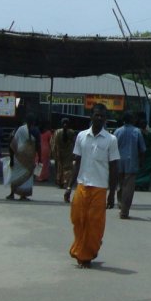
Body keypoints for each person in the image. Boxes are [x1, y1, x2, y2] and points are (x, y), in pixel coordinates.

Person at [64, 104, 119, 268]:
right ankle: (81, 248)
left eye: (103, 116)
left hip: (100, 188)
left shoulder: (111, 140)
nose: (100, 118)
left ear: (105, 119)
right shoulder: (81, 136)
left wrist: (112, 193)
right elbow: (77, 163)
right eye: (97, 115)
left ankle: (86, 255)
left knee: (94, 224)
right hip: (82, 185)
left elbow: (114, 167)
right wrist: (68, 187)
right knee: (77, 219)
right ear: (91, 117)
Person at [113, 111, 146, 219]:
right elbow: (142, 149)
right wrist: (141, 162)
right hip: (132, 163)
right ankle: (124, 211)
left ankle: (120, 203)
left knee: (120, 185)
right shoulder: (137, 132)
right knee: (128, 188)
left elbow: (112, 148)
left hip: (118, 163)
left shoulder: (117, 132)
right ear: (132, 120)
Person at [7, 113, 37, 201]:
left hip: (18, 157)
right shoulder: (34, 130)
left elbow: (13, 144)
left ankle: (12, 194)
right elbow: (37, 145)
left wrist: (12, 158)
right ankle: (22, 195)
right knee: (26, 177)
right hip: (28, 159)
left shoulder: (21, 129)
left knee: (15, 175)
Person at [52, 118, 76, 188]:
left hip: (59, 153)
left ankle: (60, 181)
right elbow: (74, 142)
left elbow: (54, 144)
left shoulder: (57, 132)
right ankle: (66, 182)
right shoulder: (71, 132)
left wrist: (54, 154)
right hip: (68, 153)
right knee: (68, 168)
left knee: (60, 168)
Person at [134, 116, 151, 191]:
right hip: (148, 154)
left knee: (140, 169)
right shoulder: (149, 134)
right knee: (146, 170)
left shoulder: (136, 133)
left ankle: (137, 183)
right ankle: (144, 184)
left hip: (140, 153)